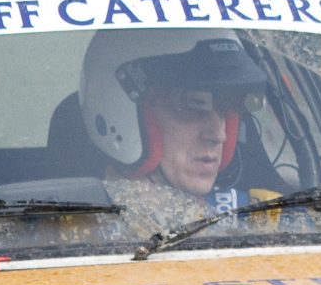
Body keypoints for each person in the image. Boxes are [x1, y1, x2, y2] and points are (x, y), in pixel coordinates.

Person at [80, 30, 277, 226]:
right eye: (195, 106)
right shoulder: (75, 231)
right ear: (122, 112)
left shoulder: (257, 221)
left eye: (227, 110)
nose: (219, 135)